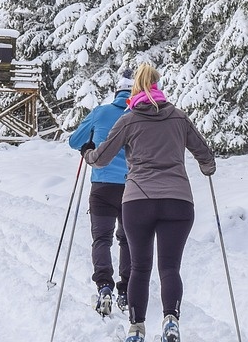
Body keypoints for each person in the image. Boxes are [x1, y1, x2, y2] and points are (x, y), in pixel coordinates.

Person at [81, 62, 216, 342]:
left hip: (138, 201)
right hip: (178, 201)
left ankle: (136, 327)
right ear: (158, 86)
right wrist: (207, 168)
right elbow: (205, 154)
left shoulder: (129, 120)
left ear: (135, 89)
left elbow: (102, 157)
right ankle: (170, 320)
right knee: (170, 268)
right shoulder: (179, 117)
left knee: (141, 267)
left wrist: (88, 154)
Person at [67, 68, 133, 316]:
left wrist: (90, 144)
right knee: (127, 240)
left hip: (102, 186)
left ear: (116, 91)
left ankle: (104, 286)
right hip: (132, 188)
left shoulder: (101, 112)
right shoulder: (138, 114)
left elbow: (74, 141)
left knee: (102, 239)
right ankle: (125, 290)